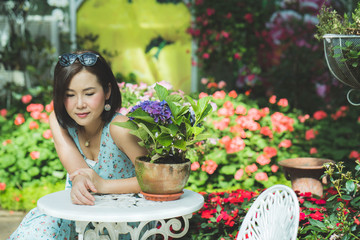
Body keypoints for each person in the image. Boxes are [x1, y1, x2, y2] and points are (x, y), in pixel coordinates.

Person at [8, 50, 148, 239]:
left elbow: (153, 180)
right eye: (70, 95)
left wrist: (104, 185)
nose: (80, 104)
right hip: (78, 212)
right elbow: (80, 175)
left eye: (89, 93)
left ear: (107, 91)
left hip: (124, 222)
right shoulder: (60, 123)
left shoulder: (119, 128)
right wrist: (81, 182)